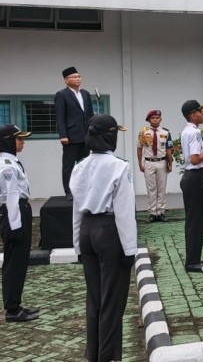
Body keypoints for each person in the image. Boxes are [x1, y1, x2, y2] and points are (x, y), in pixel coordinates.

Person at [70, 114, 137, 361]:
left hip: (87, 230)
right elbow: (124, 212)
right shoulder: (120, 167)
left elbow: (77, 208)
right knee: (112, 301)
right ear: (111, 136)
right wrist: (130, 250)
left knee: (94, 299)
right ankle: (107, 357)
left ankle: (94, 355)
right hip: (109, 232)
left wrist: (78, 244)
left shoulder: (79, 166)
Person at [0, 124, 39, 323]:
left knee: (19, 262)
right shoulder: (8, 166)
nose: (23, 142)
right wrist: (15, 225)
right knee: (13, 263)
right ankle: (12, 309)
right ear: (9, 141)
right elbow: (11, 197)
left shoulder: (12, 161)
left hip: (19, 210)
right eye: (19, 139)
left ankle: (16, 304)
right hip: (14, 212)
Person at [179, 100, 203, 273]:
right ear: (193, 115)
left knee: (194, 220)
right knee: (196, 220)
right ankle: (192, 261)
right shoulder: (194, 133)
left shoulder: (187, 131)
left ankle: (194, 257)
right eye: (201, 112)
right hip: (195, 177)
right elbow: (194, 159)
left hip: (191, 177)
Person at [54, 66, 94, 198]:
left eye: (79, 76)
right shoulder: (62, 95)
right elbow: (60, 116)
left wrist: (93, 131)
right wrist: (63, 135)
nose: (78, 79)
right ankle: (68, 191)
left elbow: (89, 114)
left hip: (86, 135)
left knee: (84, 164)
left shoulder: (85, 94)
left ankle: (83, 188)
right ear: (66, 80)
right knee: (68, 165)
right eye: (74, 77)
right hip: (71, 136)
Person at [137, 109, 174, 223]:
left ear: (161, 119)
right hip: (149, 162)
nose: (155, 119)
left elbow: (168, 149)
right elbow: (139, 148)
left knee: (161, 187)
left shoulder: (166, 132)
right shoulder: (143, 132)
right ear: (149, 120)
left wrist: (170, 163)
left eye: (157, 118)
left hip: (162, 162)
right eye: (153, 118)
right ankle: (153, 213)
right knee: (151, 188)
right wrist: (140, 163)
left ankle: (161, 212)